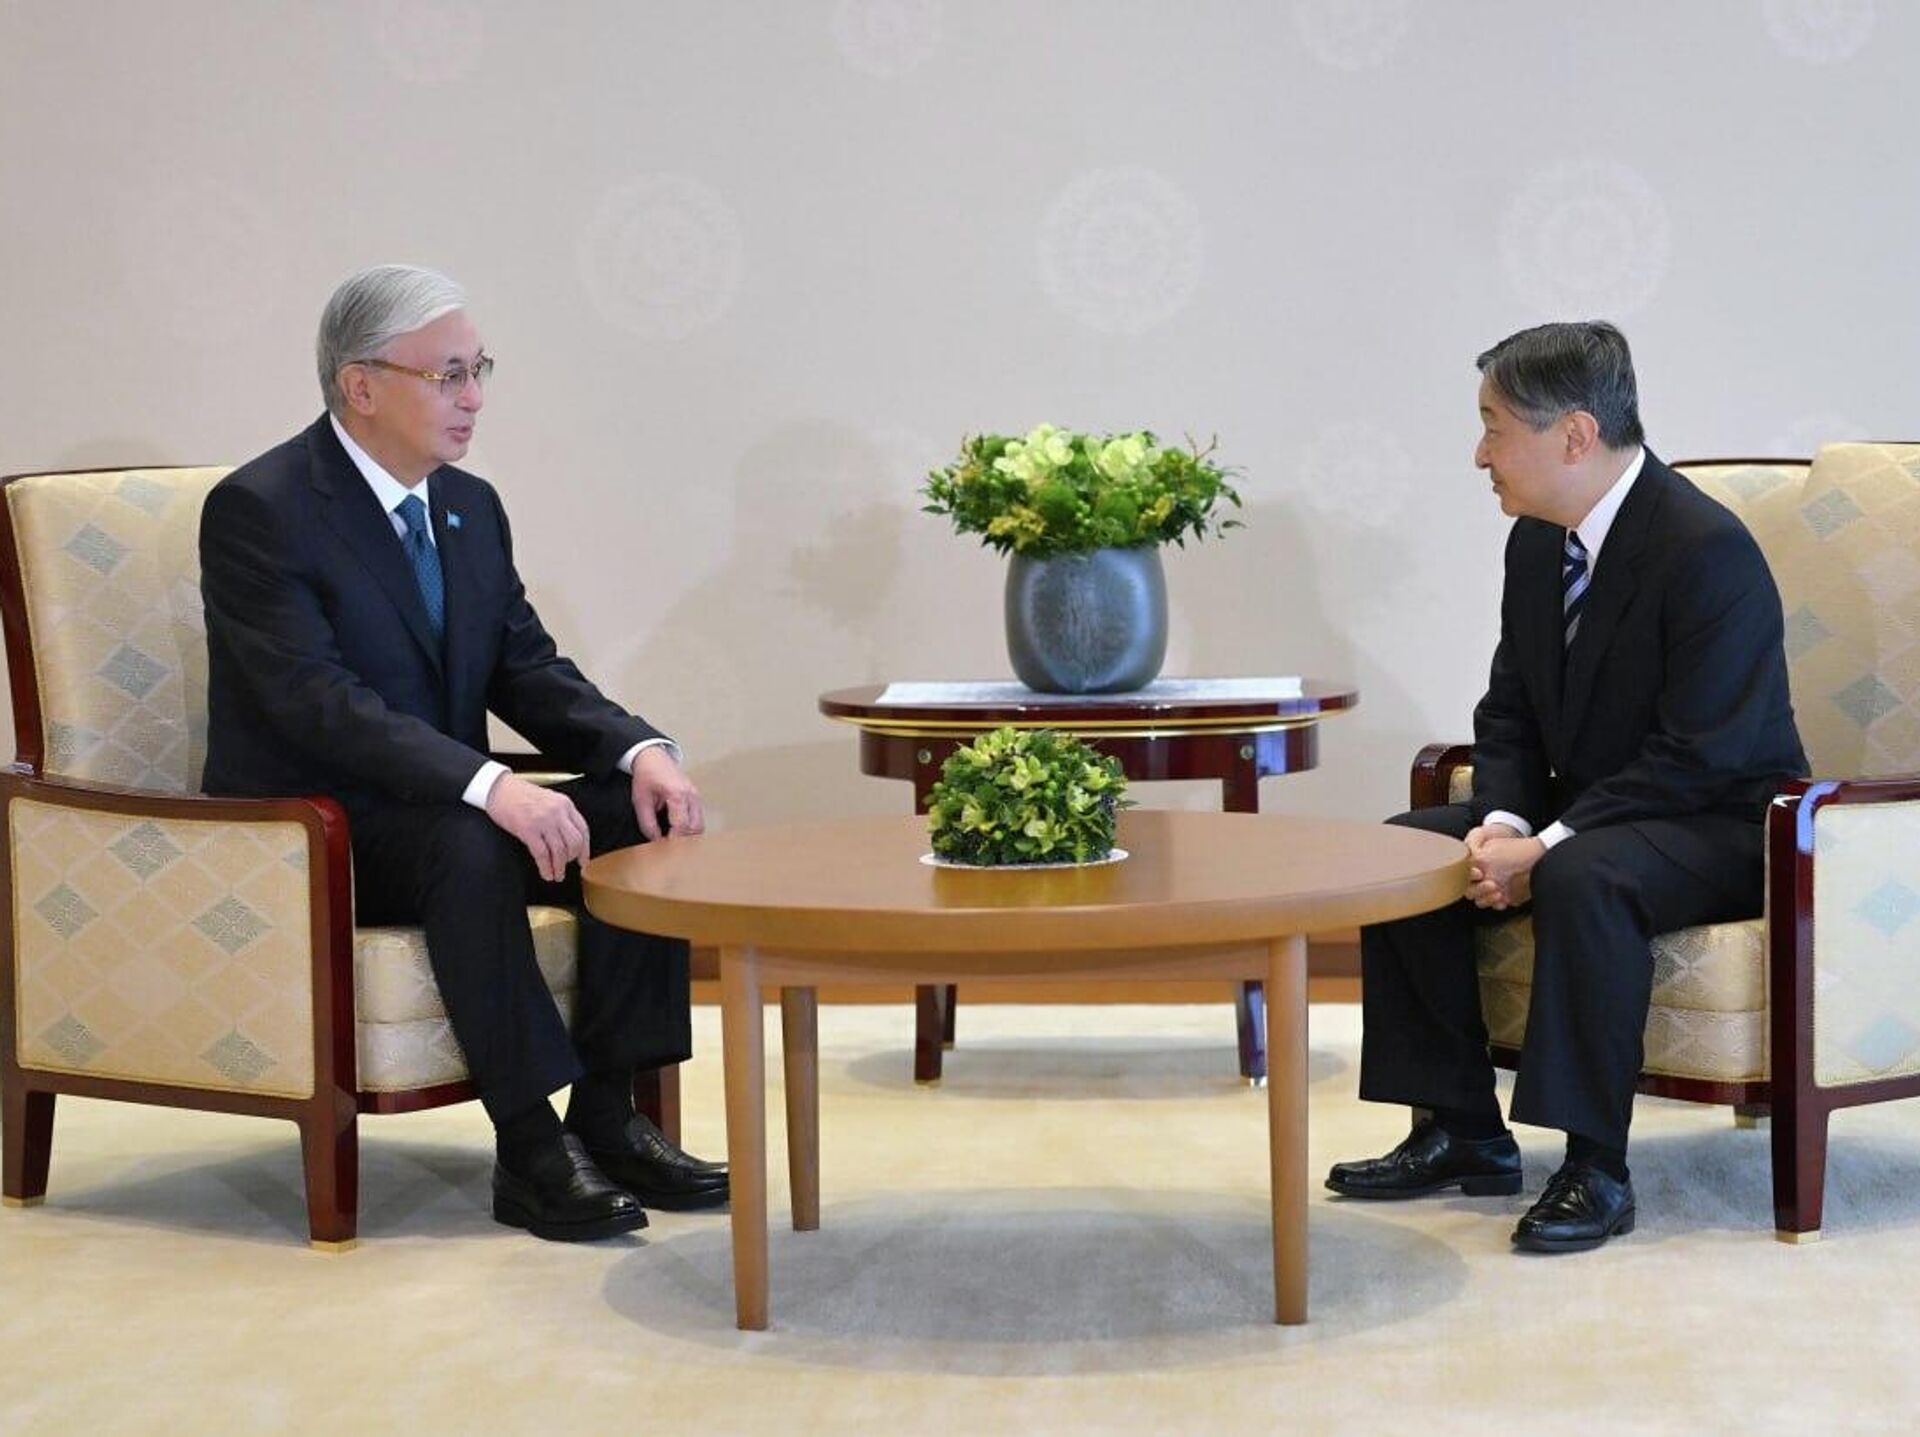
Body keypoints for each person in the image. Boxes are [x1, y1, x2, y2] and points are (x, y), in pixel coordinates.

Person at [200, 264, 727, 1242]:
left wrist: (639, 750)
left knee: (634, 819)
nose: (474, 396)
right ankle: (529, 1149)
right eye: (448, 374)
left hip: (437, 806)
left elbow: (525, 668)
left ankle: (610, 1119)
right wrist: (490, 785)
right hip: (310, 829)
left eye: (479, 369)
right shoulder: (263, 508)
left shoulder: (468, 507)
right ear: (361, 386)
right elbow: (318, 704)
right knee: (473, 839)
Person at [1326, 321, 1806, 1252]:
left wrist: (1545, 847)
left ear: (1575, 435)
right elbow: (1509, 710)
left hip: (1723, 820)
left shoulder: (1704, 547)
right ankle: (1461, 1128)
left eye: (1494, 428)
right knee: (1407, 846)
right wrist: (1502, 821)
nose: (1480, 455)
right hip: (1598, 810)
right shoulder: (1538, 543)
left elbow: (1698, 754)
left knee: (1586, 873)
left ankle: (1596, 1166)